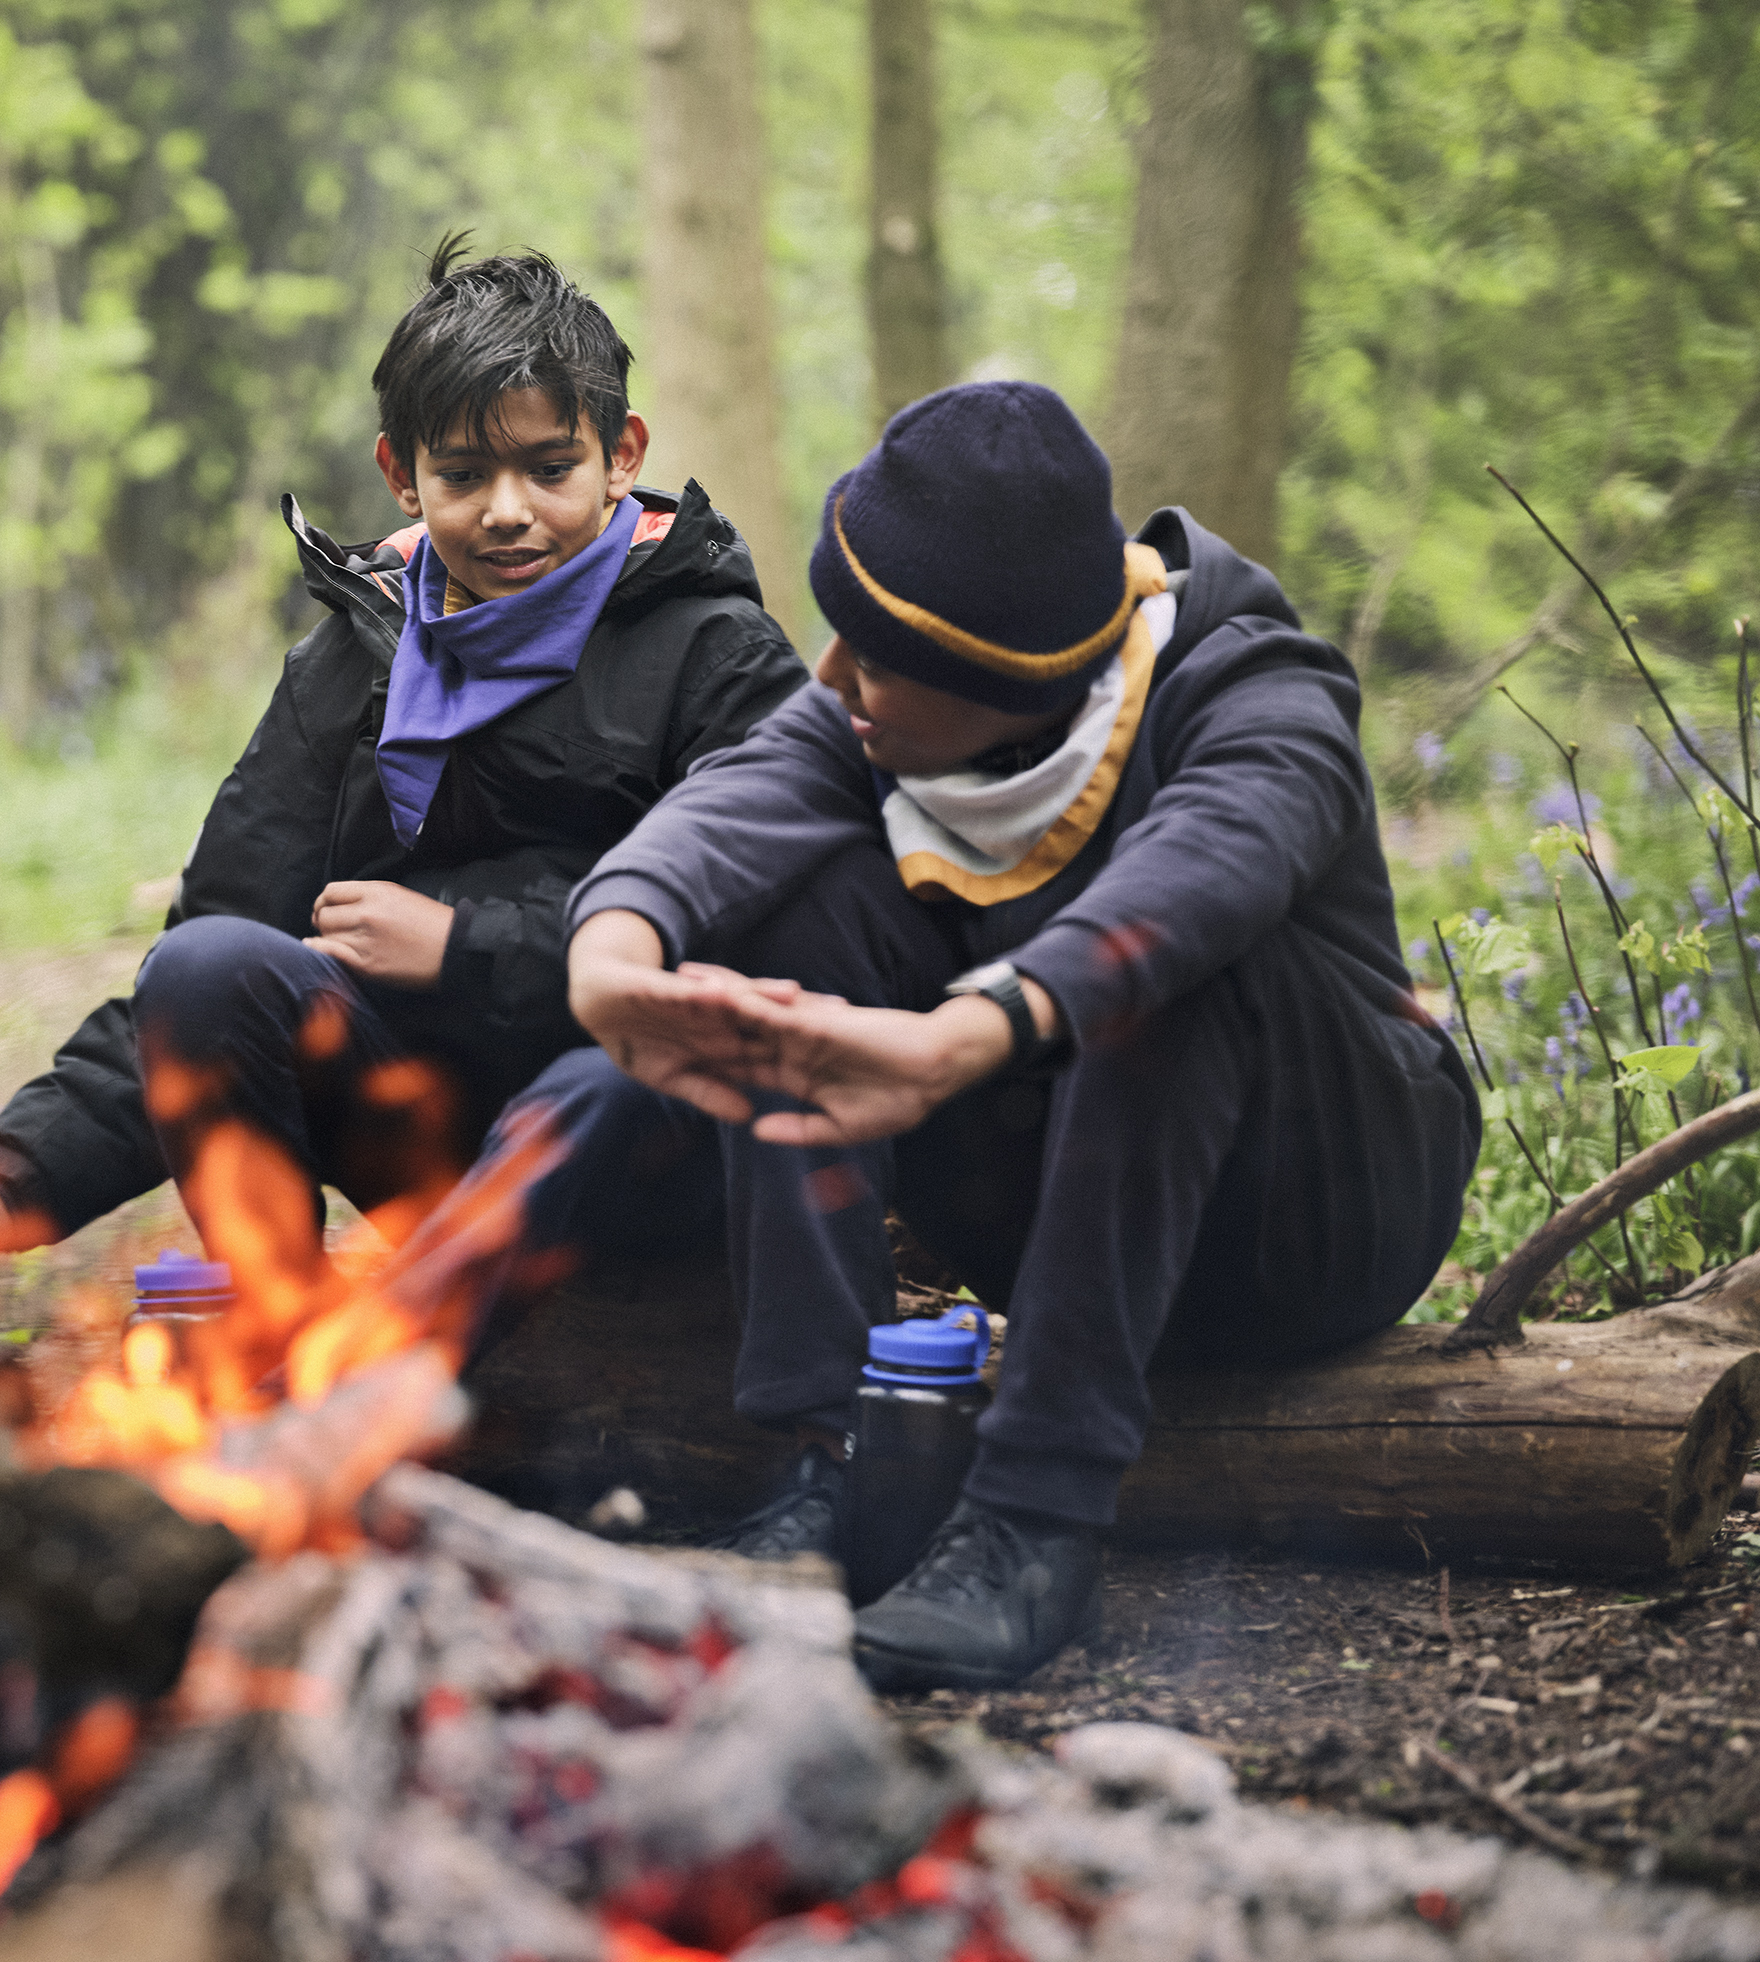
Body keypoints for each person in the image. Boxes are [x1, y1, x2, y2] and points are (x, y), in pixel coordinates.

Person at [556, 379, 1479, 1692]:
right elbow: (733, 807)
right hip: (1069, 1216)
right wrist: (612, 957)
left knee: (1161, 956)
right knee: (789, 906)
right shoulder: (883, 706)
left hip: (1321, 1217)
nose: (833, 678)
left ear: (1008, 677)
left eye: (873, 655)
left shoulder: (1248, 681)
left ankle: (1035, 1518)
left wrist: (966, 1034)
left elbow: (1212, 863)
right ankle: (829, 1465)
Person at [0, 240, 808, 1272]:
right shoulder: (356, 654)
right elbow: (202, 967)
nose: (508, 511)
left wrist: (463, 948)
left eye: (551, 470)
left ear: (622, 453)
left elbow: (769, 948)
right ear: (400, 476)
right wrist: (6, 1176)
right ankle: (283, 1335)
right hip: (425, 1143)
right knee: (209, 965)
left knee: (611, 1082)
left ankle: (457, 1347)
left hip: (639, 1141)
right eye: (463, 474)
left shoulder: (715, 651)